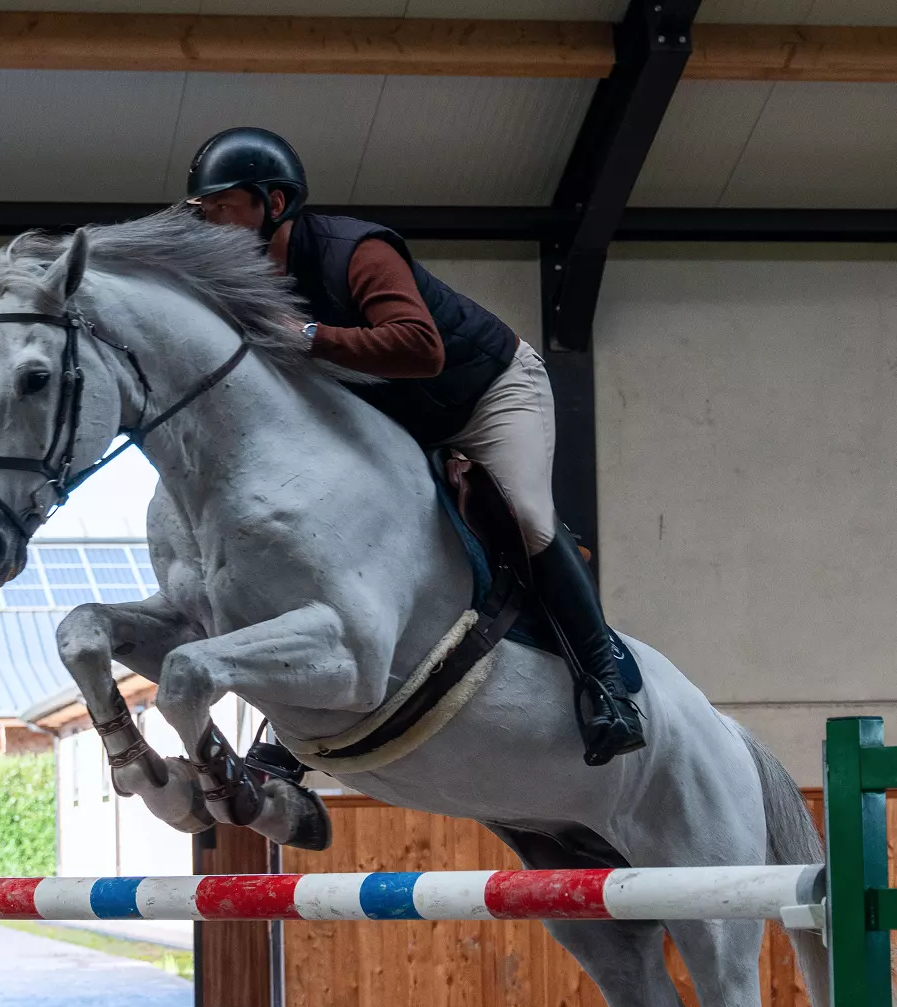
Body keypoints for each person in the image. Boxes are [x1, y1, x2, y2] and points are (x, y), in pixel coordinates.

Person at [186, 127, 644, 767]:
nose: (210, 220)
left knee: (528, 516)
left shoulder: (358, 251)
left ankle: (606, 684)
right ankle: (286, 732)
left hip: (486, 395)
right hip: (397, 420)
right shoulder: (241, 279)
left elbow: (420, 348)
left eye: (223, 205)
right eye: (202, 209)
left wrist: (311, 334)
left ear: (277, 202)